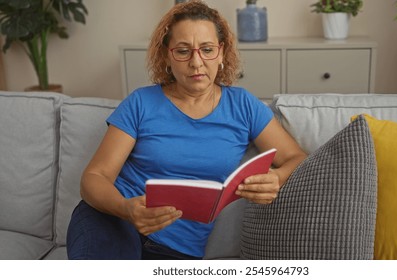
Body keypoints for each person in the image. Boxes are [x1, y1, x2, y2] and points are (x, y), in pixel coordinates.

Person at [66, 0, 306, 260]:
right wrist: (126, 209)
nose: (196, 62)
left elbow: (297, 157)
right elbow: (94, 177)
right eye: (183, 51)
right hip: (114, 221)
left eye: (207, 49)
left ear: (222, 52)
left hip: (178, 249)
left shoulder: (244, 105)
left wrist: (278, 177)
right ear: (168, 55)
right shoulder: (141, 102)